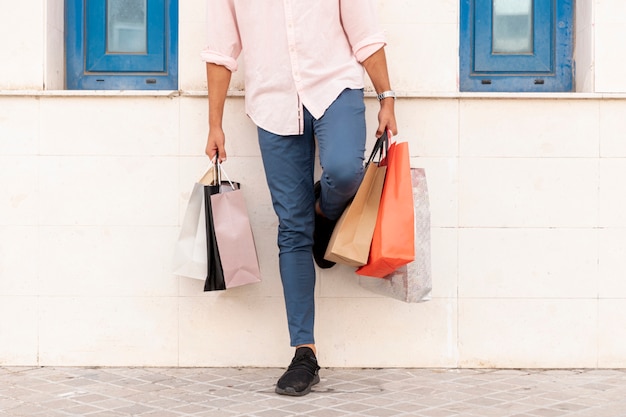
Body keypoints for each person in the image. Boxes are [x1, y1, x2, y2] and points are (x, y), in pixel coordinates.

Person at [201, 0, 398, 396]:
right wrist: (215, 124)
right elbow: (220, 51)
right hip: (272, 101)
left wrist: (386, 97)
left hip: (335, 86)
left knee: (344, 171)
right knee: (292, 227)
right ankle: (303, 353)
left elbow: (364, 31)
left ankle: (324, 209)